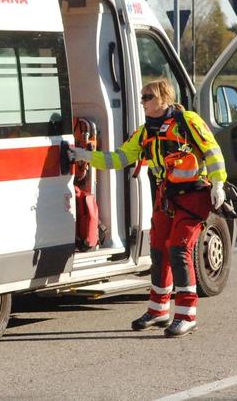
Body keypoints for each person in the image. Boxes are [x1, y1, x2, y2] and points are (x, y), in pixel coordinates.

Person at [69, 78, 227, 338]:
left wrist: (218, 184)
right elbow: (119, 158)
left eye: (148, 96)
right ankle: (158, 311)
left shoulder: (188, 121)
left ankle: (187, 315)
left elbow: (212, 151)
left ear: (164, 99)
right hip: (166, 197)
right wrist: (85, 156)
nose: (142, 101)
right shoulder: (145, 132)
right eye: (142, 96)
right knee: (158, 251)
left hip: (194, 196)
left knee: (179, 249)